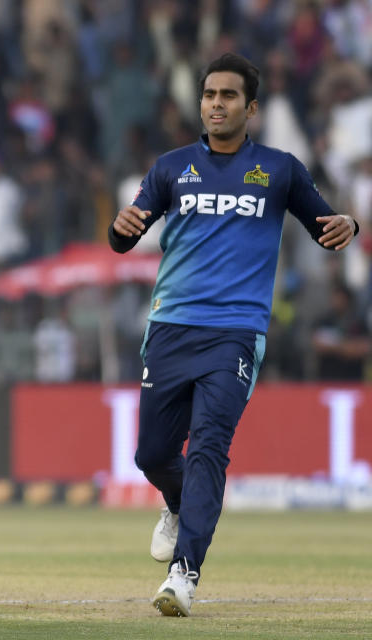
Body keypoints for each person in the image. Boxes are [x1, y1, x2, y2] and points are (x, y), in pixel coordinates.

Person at [108, 52, 359, 617]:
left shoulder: (279, 169)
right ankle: (173, 504)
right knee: (151, 455)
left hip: (235, 334)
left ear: (252, 108)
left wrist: (351, 223)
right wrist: (118, 228)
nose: (216, 104)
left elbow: (328, 229)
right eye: (208, 96)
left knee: (210, 450)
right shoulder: (172, 168)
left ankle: (184, 575)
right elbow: (125, 235)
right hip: (170, 328)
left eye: (227, 96)